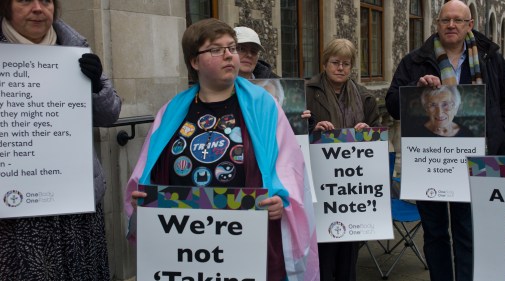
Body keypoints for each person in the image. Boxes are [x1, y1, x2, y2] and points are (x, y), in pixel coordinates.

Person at [124, 18, 318, 281]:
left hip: (248, 241)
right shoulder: (171, 111)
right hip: (186, 244)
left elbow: (289, 164)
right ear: (194, 62)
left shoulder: (264, 106)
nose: (229, 55)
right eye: (216, 49)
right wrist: (144, 197)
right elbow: (150, 168)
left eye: (232, 47)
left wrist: (280, 198)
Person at [385, 1, 505, 280]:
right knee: (434, 233)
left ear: (469, 25)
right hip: (430, 163)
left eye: (458, 20)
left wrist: (500, 137)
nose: (451, 25)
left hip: (476, 160)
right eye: (445, 20)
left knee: (468, 230)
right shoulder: (414, 61)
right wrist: (416, 92)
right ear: (437, 24)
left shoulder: (490, 58)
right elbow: (392, 105)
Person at [0, 0, 121, 280]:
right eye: (25, 0)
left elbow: (110, 114)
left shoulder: (74, 48)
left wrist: (95, 87)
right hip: (16, 211)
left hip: (74, 204)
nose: (38, 8)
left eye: (46, 0)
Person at [305, 38, 380, 281]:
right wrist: (312, 128)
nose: (340, 68)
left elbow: (378, 134)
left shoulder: (364, 96)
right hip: (321, 182)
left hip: (353, 187)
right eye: (335, 62)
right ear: (325, 63)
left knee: (349, 249)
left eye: (346, 64)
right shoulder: (307, 92)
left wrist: (367, 130)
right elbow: (292, 133)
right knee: (323, 250)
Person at [407, 85, 474, 137]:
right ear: (426, 109)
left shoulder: (467, 134)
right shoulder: (415, 135)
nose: (439, 113)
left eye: (445, 104)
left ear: (456, 108)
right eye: (433, 105)